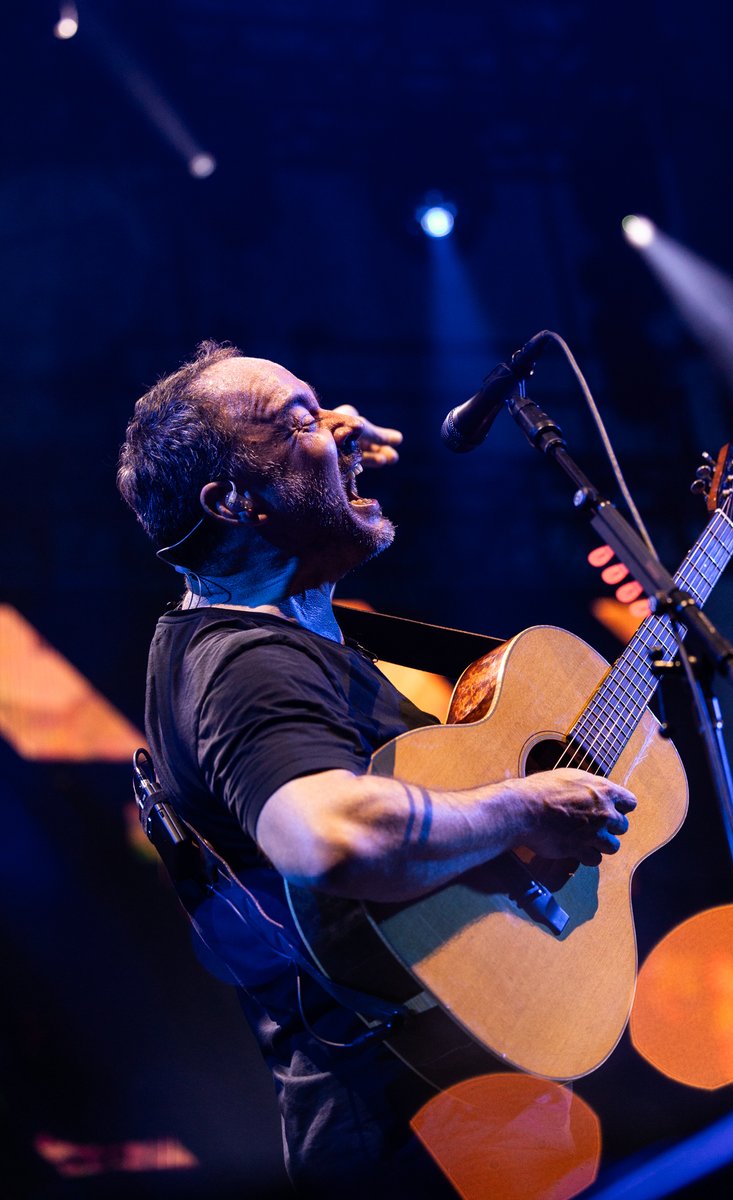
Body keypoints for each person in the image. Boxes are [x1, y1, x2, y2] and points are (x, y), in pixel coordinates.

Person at [117, 340, 637, 1198]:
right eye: (300, 419)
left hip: (457, 1111)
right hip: (406, 1142)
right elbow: (325, 835)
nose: (342, 429)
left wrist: (308, 451)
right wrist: (526, 807)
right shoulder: (246, 664)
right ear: (232, 499)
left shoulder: (293, 638)